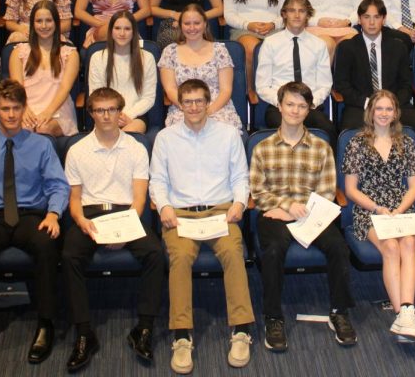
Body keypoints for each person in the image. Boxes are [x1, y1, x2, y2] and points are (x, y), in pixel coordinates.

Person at [0, 79, 69, 367]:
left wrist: (54, 214)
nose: (10, 114)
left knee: (46, 244)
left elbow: (58, 185)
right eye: (5, 108)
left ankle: (46, 322)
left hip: (31, 213)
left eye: (16, 108)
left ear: (24, 109)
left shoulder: (41, 145)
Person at [149, 78, 254, 372]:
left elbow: (240, 177)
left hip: (221, 211)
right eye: (188, 102)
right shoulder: (165, 138)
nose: (194, 107)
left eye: (199, 101)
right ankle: (182, 336)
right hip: (179, 213)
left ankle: (242, 329)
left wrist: (239, 204)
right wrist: (165, 207)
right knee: (180, 258)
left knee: (234, 254)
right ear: (179, 105)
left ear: (208, 103)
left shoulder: (228, 134)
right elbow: (158, 180)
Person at [61, 86, 165, 372]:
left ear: (121, 113)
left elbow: (140, 197)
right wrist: (80, 221)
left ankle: (143, 328)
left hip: (126, 213)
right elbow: (75, 199)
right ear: (91, 113)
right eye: (99, 110)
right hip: (91, 215)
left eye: (111, 110)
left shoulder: (136, 147)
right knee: (70, 256)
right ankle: (84, 332)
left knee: (155, 253)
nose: (106, 116)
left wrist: (125, 229)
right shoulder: (77, 150)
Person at [251, 82, 358, 351]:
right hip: (275, 215)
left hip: (312, 215)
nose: (295, 110)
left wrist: (300, 208)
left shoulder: (321, 146)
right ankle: (273, 317)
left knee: (338, 247)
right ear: (279, 106)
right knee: (273, 250)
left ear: (309, 109)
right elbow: (258, 190)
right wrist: (287, 207)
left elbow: (326, 189)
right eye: (290, 104)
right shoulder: (262, 147)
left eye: (302, 106)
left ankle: (339, 312)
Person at [343, 88, 415, 338]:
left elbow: (414, 186)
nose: (384, 113)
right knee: (391, 248)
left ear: (396, 113)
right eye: (379, 108)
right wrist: (378, 208)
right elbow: (351, 190)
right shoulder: (356, 142)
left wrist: (399, 210)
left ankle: (405, 314)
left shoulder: (407, 142)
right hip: (370, 209)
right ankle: (403, 315)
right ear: (370, 112)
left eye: (389, 109)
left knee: (408, 245)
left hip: (401, 207)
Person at [334, 0, 415, 140]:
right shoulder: (347, 47)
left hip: (395, 104)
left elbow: (406, 84)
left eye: (376, 17)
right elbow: (342, 85)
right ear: (359, 19)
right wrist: (368, 103)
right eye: (366, 17)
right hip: (360, 106)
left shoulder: (398, 47)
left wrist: (391, 106)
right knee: (349, 131)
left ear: (383, 19)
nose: (371, 22)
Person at [254, 0, 335, 136]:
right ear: (284, 14)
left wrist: (308, 104)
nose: (297, 15)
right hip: (279, 107)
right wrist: (284, 103)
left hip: (310, 106)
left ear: (308, 15)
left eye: (302, 11)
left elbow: (325, 84)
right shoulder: (270, 43)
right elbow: (262, 86)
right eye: (292, 10)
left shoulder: (318, 45)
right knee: (285, 128)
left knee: (328, 130)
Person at [159, 3, 242, 131]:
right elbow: (170, 89)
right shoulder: (169, 52)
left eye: (197, 23)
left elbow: (226, 90)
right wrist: (190, 109)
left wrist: (207, 112)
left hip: (216, 108)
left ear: (205, 24)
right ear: (181, 25)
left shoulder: (220, 51)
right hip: (183, 109)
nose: (192, 28)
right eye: (187, 23)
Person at [85, 11, 156, 133]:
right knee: (108, 136)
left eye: (127, 29)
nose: (122, 33)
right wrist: (112, 115)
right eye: (117, 28)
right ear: (111, 32)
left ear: (134, 32)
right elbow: (95, 94)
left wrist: (128, 115)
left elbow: (148, 97)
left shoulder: (147, 57)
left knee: (129, 135)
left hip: (135, 116)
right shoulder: (97, 57)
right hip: (105, 114)